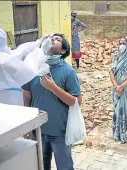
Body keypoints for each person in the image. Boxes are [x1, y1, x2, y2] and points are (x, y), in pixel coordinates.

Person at [22, 33, 82, 170]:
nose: (52, 40)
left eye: (57, 39)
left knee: (65, 167)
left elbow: (76, 102)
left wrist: (53, 88)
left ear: (63, 51)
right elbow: (26, 98)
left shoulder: (68, 72)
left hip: (60, 131)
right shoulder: (33, 68)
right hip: (38, 130)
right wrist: (27, 125)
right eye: (51, 38)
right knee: (41, 166)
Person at [0, 26, 47, 105]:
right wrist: (41, 51)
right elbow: (28, 69)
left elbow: (20, 51)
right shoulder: (0, 62)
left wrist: (37, 43)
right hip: (3, 104)